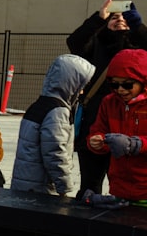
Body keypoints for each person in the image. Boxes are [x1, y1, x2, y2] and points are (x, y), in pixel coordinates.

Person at [67, 0, 147, 194]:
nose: (119, 19)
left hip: (130, 128)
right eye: (113, 17)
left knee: (126, 186)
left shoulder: (138, 48)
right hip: (96, 122)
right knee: (90, 186)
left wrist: (137, 25)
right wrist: (98, 17)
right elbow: (74, 42)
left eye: (124, 18)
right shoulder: (96, 44)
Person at [10, 53, 95, 197]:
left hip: (25, 182)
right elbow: (55, 153)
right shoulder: (58, 111)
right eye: (80, 86)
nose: (81, 91)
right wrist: (64, 187)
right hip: (42, 188)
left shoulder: (38, 104)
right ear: (70, 83)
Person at [87, 48, 147, 202]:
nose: (120, 89)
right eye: (115, 84)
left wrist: (136, 144)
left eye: (127, 85)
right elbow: (99, 129)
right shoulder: (109, 102)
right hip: (119, 186)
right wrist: (97, 141)